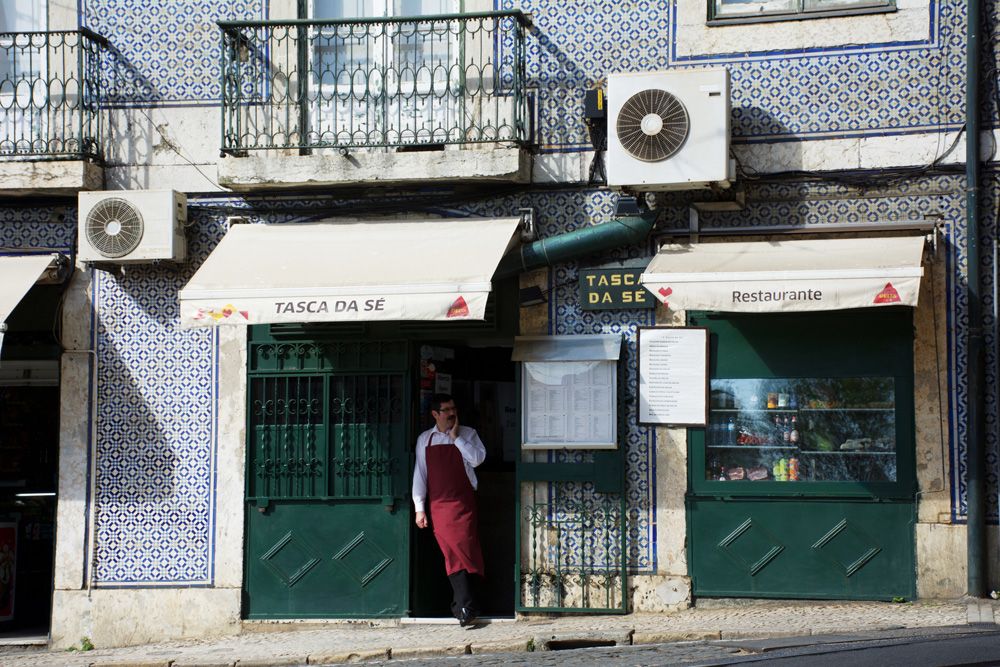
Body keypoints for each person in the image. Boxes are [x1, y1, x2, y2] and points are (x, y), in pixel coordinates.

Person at [412, 393, 486, 627]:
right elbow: (420, 474)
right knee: (451, 553)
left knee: (466, 551)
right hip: (439, 505)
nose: (452, 413)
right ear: (435, 414)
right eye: (446, 410)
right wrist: (419, 508)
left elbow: (477, 460)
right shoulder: (425, 439)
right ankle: (465, 605)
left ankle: (464, 605)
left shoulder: (468, 434)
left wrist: (456, 438)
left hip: (463, 503)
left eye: (454, 408)